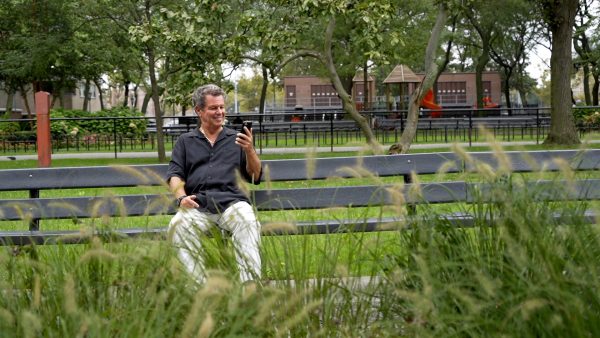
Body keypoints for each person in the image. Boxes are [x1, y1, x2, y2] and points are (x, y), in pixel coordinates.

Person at [166, 84, 262, 284]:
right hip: (198, 205)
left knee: (248, 222)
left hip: (232, 203)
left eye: (221, 107)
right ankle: (198, 289)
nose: (220, 112)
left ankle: (250, 288)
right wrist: (181, 198)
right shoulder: (185, 141)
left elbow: (255, 175)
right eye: (213, 108)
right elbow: (175, 174)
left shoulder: (237, 139)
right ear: (199, 111)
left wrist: (250, 150)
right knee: (178, 226)